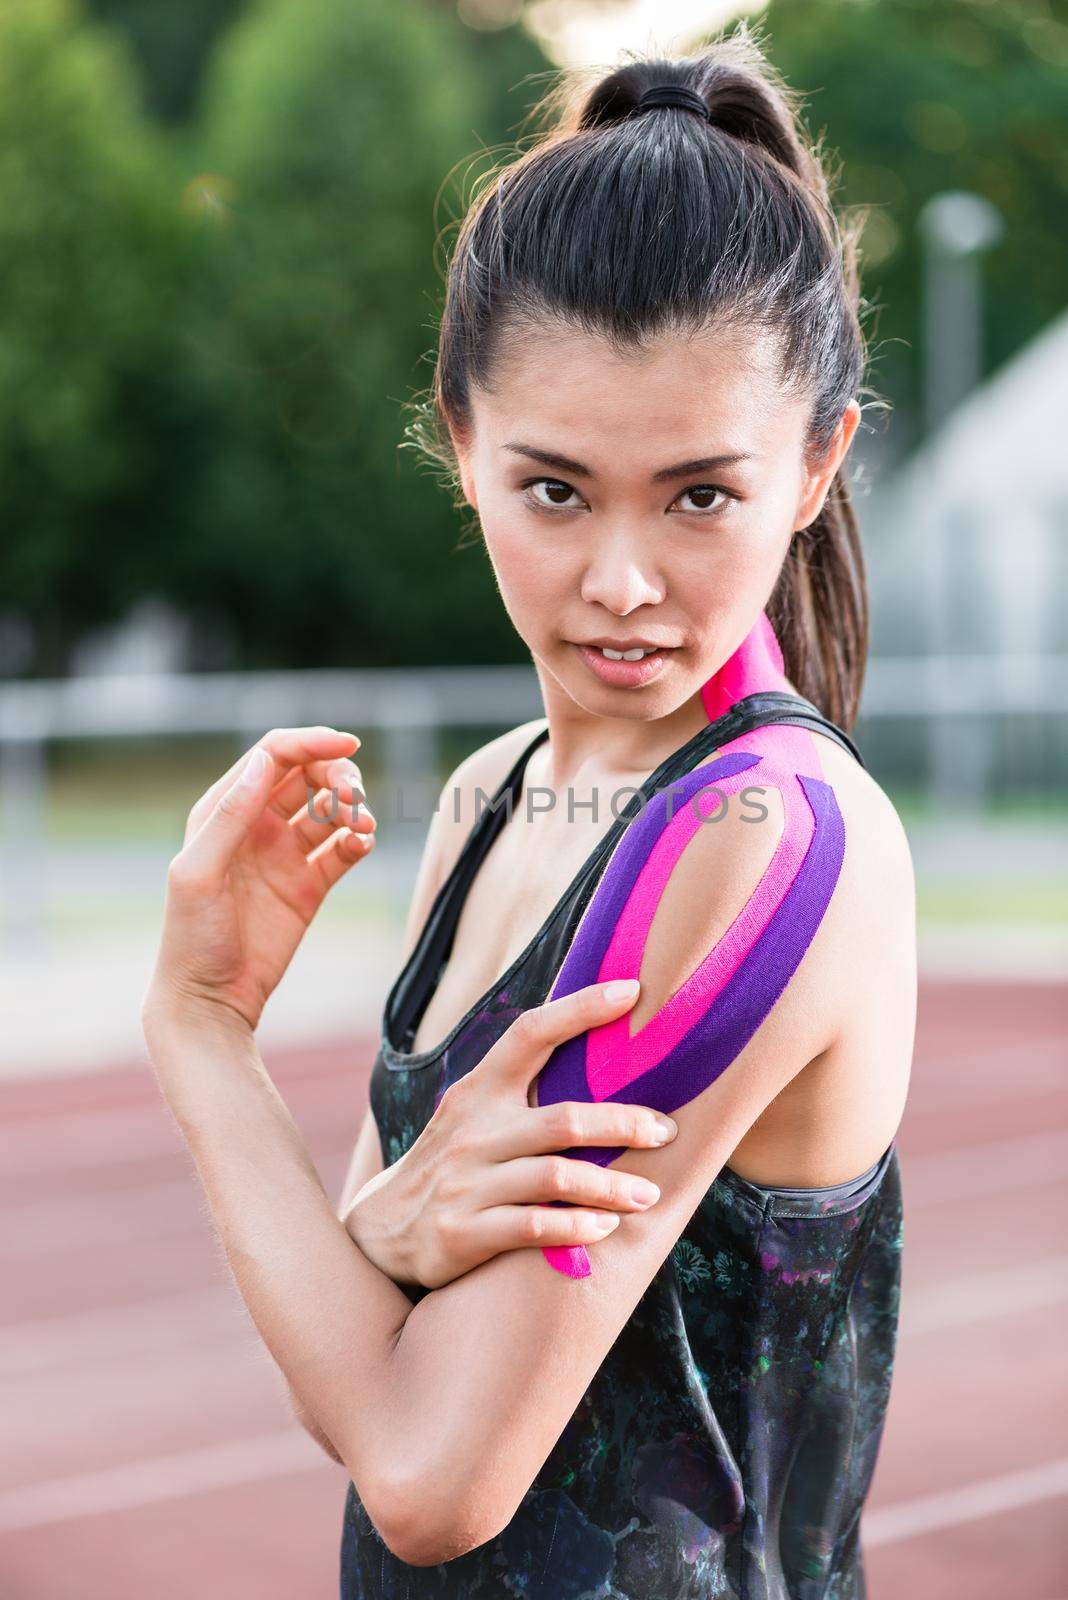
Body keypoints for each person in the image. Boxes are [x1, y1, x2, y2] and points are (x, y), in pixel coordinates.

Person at [141, 28, 916, 1600]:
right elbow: (352, 1369)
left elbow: (429, 1472)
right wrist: (393, 1234)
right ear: (461, 441)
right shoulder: (497, 797)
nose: (621, 584)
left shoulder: (760, 842)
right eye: (555, 490)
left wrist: (203, 1026)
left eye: (701, 494)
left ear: (819, 460)